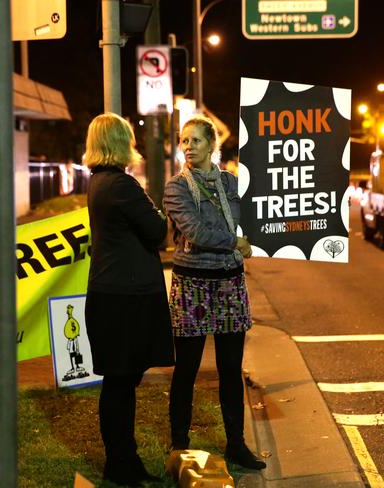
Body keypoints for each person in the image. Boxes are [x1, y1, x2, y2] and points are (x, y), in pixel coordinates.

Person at [163, 115, 266, 470]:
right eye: (184, 141)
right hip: (192, 283)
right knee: (187, 369)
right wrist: (236, 241)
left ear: (212, 145)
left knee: (230, 368)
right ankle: (179, 445)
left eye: (195, 141)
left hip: (229, 281)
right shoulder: (176, 188)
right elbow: (196, 231)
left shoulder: (232, 182)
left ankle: (236, 444)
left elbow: (255, 218)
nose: (188, 147)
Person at [84, 113, 174, 486]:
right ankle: (120, 463)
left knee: (120, 382)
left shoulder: (99, 182)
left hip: (112, 294)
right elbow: (158, 231)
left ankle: (124, 459)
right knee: (121, 383)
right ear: (119, 142)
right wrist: (157, 209)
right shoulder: (122, 185)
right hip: (125, 298)